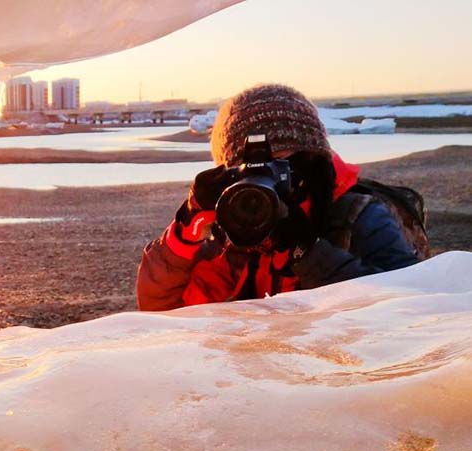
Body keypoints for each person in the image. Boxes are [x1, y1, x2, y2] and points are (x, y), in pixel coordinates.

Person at [137, 84, 422, 311]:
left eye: (283, 167)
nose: (268, 181)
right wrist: (184, 233)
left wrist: (308, 251)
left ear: (313, 163)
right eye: (252, 170)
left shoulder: (358, 217)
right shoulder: (230, 228)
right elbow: (162, 311)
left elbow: (409, 310)